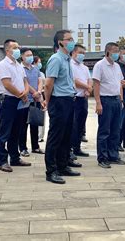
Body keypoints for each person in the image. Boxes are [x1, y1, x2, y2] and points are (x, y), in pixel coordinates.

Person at [43, 30, 80, 184]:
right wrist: (48, 101)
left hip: (69, 100)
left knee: (66, 135)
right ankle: (51, 171)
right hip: (59, 102)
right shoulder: (56, 59)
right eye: (68, 39)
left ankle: (62, 165)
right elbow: (48, 83)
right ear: (60, 43)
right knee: (55, 136)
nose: (72, 41)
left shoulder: (67, 60)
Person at [0, 39, 31, 172]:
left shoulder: (19, 65)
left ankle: (15, 158)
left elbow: (25, 81)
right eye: (15, 47)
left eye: (18, 47)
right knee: (4, 132)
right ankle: (2, 161)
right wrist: (21, 95)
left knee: (16, 131)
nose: (18, 50)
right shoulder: (3, 65)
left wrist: (26, 92)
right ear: (7, 50)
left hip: (19, 100)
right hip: (8, 100)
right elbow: (7, 84)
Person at [93, 42, 125, 168]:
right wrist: (98, 103)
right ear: (107, 52)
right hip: (105, 100)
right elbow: (96, 84)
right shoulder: (99, 65)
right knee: (104, 130)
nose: (117, 54)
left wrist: (121, 100)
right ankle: (102, 158)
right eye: (115, 51)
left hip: (116, 101)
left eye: (118, 51)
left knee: (115, 130)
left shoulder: (117, 66)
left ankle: (113, 156)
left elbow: (120, 83)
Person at [19, 48, 44, 156]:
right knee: (23, 125)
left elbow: (40, 80)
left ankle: (35, 146)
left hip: (36, 99)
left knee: (35, 123)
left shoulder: (35, 68)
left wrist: (38, 92)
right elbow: (25, 83)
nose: (30, 57)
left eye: (31, 55)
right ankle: (23, 148)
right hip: (25, 100)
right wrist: (34, 92)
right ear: (22, 57)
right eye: (27, 55)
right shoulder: (20, 68)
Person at [70, 44, 91, 158]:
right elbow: (75, 81)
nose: (82, 55)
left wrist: (89, 89)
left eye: (84, 53)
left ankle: (77, 147)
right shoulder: (70, 65)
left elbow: (89, 80)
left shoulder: (85, 67)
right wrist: (87, 87)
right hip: (74, 98)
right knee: (73, 124)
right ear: (74, 53)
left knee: (81, 124)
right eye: (80, 52)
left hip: (84, 98)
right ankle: (70, 149)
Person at [35, 56, 46, 143]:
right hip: (33, 95)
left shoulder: (41, 74)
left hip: (41, 94)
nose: (40, 64)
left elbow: (44, 85)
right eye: (39, 62)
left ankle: (40, 136)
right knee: (34, 117)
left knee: (41, 117)